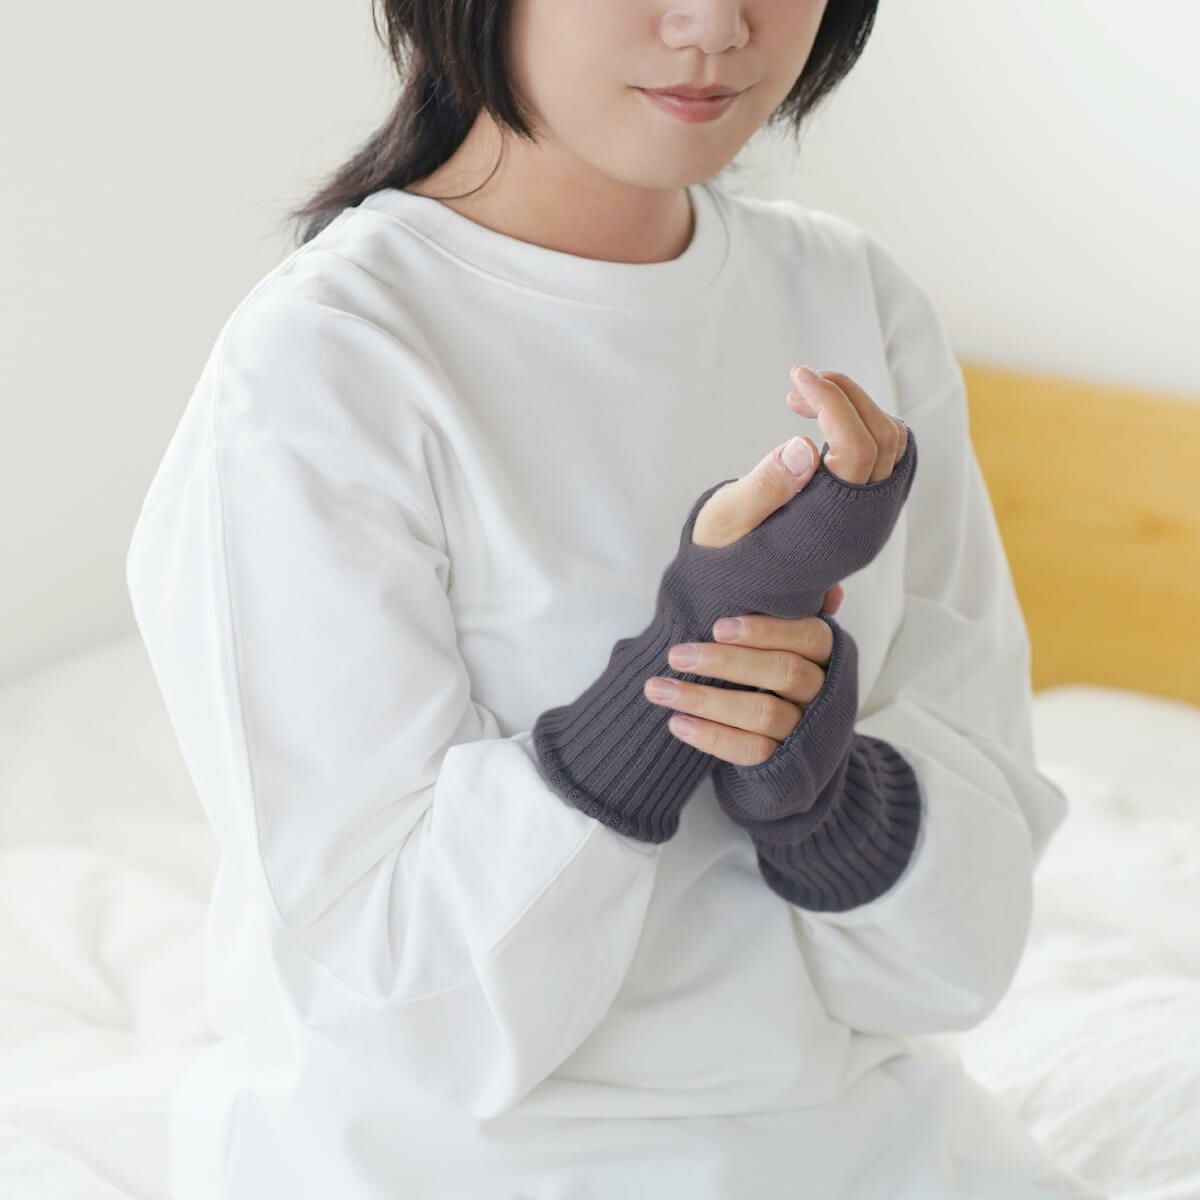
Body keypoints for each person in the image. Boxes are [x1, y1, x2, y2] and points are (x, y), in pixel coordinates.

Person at [124, 1, 1109, 1196]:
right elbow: (401, 1006)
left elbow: (962, 961)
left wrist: (824, 796)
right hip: (452, 1164)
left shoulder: (854, 298)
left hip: (860, 1141)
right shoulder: (327, 358)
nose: (717, 25)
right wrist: (675, 679)